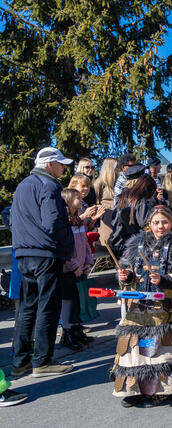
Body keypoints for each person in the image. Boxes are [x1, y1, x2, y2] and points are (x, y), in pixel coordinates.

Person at [113, 206, 172, 407]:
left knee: (161, 350)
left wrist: (164, 280)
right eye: (156, 223)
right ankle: (136, 388)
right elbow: (128, 269)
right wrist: (126, 276)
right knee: (137, 347)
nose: (160, 227)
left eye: (164, 222)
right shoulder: (137, 243)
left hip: (163, 307)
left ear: (171, 223)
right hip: (137, 306)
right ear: (149, 224)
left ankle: (163, 389)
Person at [10, 147, 75, 378]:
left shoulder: (23, 185)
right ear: (49, 164)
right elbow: (52, 223)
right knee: (48, 307)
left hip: (24, 253)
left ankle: (20, 361)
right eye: (61, 164)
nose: (64, 168)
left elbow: (11, 218)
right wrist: (68, 243)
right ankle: (43, 361)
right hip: (46, 254)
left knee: (27, 308)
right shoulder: (48, 186)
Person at [59, 188, 94, 351]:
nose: (81, 201)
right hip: (69, 270)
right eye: (77, 198)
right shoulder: (65, 222)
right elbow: (65, 249)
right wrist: (74, 267)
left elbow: (85, 244)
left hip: (80, 268)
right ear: (68, 201)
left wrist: (88, 263)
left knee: (77, 300)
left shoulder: (79, 222)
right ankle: (66, 332)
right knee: (67, 301)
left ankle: (76, 329)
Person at [109, 171, 158, 257]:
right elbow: (144, 223)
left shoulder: (121, 197)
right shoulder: (140, 201)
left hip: (117, 240)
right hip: (132, 243)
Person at [94, 157, 118, 246]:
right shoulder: (99, 182)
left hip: (116, 214)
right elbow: (94, 199)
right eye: (116, 167)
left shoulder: (117, 181)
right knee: (106, 243)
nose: (117, 169)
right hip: (106, 215)